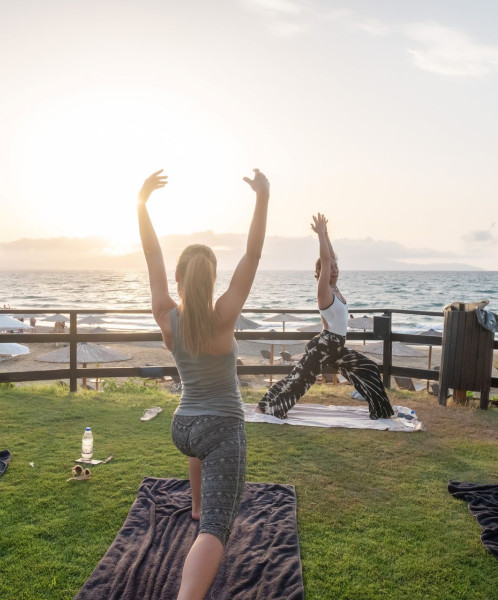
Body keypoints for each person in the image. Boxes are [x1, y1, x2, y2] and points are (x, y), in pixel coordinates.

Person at [138, 168, 269, 600]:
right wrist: (262, 198)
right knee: (216, 529)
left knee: (201, 450)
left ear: (178, 279)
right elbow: (252, 255)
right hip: (220, 426)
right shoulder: (224, 315)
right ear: (213, 280)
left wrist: (142, 205)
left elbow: (151, 256)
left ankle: (196, 505)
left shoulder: (165, 315)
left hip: (183, 427)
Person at [256, 213, 394, 420]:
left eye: (337, 267)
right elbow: (327, 259)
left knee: (369, 368)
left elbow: (331, 257)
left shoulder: (335, 289)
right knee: (299, 380)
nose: (335, 269)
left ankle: (381, 412)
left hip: (335, 347)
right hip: (324, 347)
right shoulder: (324, 291)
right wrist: (320, 235)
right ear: (321, 272)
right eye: (330, 268)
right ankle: (267, 407)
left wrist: (327, 234)